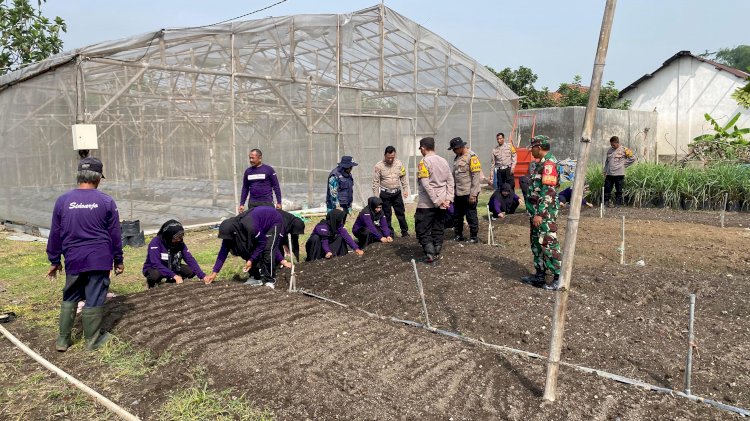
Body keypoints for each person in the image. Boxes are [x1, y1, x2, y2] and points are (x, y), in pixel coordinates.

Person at [46, 157, 123, 351]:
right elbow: (115, 234)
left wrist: (54, 260)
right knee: (95, 296)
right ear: (98, 179)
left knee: (70, 295)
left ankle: (63, 340)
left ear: (79, 176)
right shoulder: (106, 201)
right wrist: (118, 260)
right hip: (99, 257)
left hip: (74, 258)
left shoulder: (63, 201)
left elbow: (55, 232)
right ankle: (92, 340)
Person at [204, 206, 285, 288]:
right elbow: (222, 253)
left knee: (268, 250)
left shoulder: (250, 227)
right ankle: (256, 276)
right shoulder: (231, 232)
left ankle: (270, 279)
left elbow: (262, 243)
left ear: (234, 233)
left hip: (273, 220)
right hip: (259, 224)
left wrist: (251, 259)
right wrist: (214, 273)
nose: (227, 240)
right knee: (245, 249)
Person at [521, 135, 562, 291]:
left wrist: (540, 214)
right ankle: (539, 275)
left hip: (544, 213)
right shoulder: (541, 164)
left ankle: (559, 277)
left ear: (539, 147)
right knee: (537, 244)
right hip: (536, 213)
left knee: (548, 243)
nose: (531, 150)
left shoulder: (549, 165)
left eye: (532, 147)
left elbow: (548, 192)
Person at [415, 137, 454, 263]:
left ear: (423, 148)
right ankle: (437, 249)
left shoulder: (423, 162)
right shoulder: (444, 161)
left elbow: (426, 185)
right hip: (442, 202)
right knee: (438, 226)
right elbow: (450, 181)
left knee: (422, 228)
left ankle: (430, 253)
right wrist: (448, 199)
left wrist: (437, 201)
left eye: (420, 149)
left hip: (426, 204)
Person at [142, 220, 206, 288]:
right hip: (155, 268)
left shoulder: (180, 242)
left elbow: (189, 259)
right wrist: (174, 275)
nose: (179, 239)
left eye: (181, 236)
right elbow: (155, 263)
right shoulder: (155, 242)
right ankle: (152, 285)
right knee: (154, 275)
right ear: (168, 236)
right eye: (177, 237)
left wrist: (202, 276)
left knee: (191, 271)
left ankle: (171, 282)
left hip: (173, 266)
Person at [372, 146, 410, 237]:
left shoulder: (399, 164)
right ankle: (389, 233)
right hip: (385, 194)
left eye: (392, 157)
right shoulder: (379, 166)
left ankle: (404, 232)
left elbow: (403, 177)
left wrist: (405, 189)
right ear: (384, 155)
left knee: (400, 213)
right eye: (388, 157)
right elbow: (376, 182)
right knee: (386, 215)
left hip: (397, 193)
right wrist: (376, 198)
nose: (390, 159)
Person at [449, 137, 481, 243]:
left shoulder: (472, 157)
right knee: (457, 215)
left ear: (460, 147)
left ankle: (473, 237)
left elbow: (476, 177)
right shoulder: (457, 158)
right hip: (458, 192)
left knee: (471, 215)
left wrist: (473, 194)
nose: (453, 151)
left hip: (468, 193)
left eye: (455, 149)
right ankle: (458, 235)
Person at [238, 149, 282, 213]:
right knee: (254, 222)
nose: (251, 160)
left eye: (253, 158)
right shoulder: (248, 171)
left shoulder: (269, 169)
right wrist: (242, 204)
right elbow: (245, 188)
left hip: (266, 202)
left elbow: (276, 186)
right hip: (253, 204)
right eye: (250, 158)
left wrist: (279, 202)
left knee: (267, 222)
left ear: (260, 158)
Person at [603, 136, 636, 207]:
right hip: (609, 173)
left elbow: (633, 158)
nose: (612, 146)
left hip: (619, 173)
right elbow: (607, 161)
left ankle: (618, 203)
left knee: (618, 189)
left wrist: (623, 164)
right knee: (607, 188)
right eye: (611, 144)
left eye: (613, 144)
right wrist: (605, 170)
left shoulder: (625, 149)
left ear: (617, 143)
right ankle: (606, 202)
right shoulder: (609, 150)